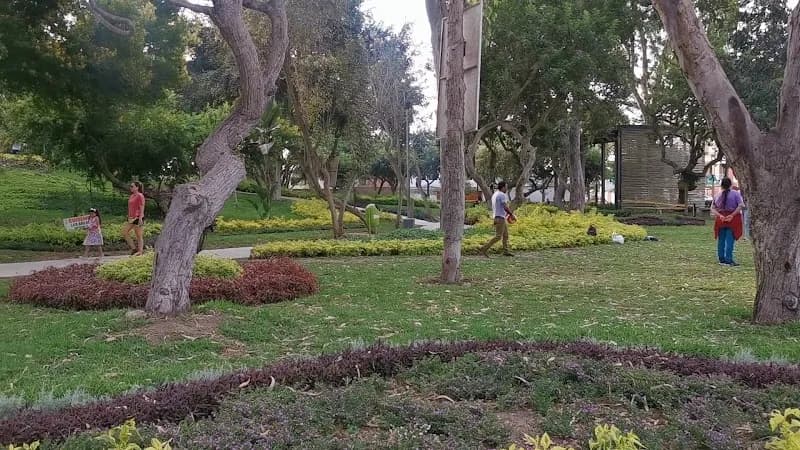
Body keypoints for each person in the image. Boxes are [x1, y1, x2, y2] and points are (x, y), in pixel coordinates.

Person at [711, 177, 744, 266]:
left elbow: (712, 208)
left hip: (720, 220)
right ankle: (728, 259)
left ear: (721, 185)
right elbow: (740, 205)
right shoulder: (736, 194)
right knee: (730, 239)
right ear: (730, 185)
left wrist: (720, 215)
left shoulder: (717, 195)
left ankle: (721, 258)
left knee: (721, 239)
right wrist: (732, 215)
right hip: (732, 219)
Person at [480, 181, 516, 257]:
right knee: (498, 236)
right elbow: (505, 206)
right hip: (500, 218)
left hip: (498, 217)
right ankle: (484, 248)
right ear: (503, 187)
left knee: (505, 235)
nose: (507, 188)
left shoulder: (495, 194)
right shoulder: (502, 195)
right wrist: (511, 214)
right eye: (506, 187)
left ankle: (505, 251)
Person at [123, 181, 146, 256]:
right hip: (131, 218)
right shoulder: (132, 196)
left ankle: (140, 252)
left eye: (132, 186)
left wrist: (140, 218)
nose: (130, 188)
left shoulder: (140, 195)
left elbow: (142, 207)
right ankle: (134, 248)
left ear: (137, 187)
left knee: (138, 235)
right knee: (125, 232)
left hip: (137, 217)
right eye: (130, 186)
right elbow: (130, 207)